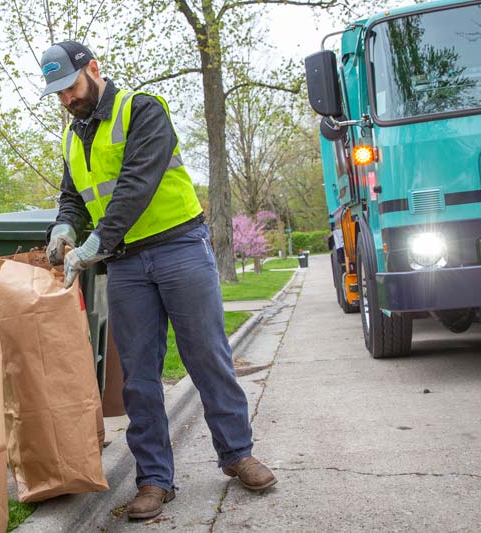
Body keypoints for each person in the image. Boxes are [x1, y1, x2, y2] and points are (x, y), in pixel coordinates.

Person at [40, 41, 277, 520]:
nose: (66, 99)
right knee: (139, 377)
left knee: (207, 356)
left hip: (179, 248)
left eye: (70, 87)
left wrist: (93, 245)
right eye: (57, 94)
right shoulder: (71, 137)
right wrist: (64, 226)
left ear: (93, 69)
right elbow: (73, 197)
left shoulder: (142, 111)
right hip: (126, 264)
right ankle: (154, 479)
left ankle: (237, 455)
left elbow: (135, 186)